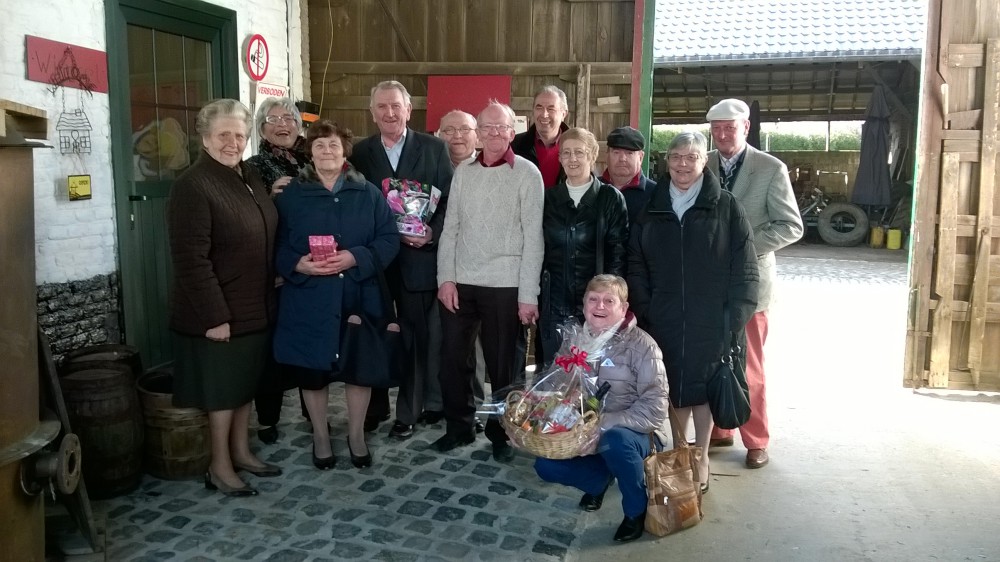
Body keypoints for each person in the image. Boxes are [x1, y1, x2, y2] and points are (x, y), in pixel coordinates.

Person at [627, 131, 759, 493]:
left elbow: (745, 269)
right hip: (663, 314)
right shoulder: (651, 207)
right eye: (676, 157)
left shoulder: (727, 207)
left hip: (710, 316)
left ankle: (700, 454)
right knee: (670, 384)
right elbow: (635, 264)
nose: (683, 164)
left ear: (704, 162)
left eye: (692, 157)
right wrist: (645, 309)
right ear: (666, 162)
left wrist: (732, 318)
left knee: (703, 386)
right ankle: (677, 451)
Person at [167, 98, 281, 497]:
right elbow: (190, 259)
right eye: (223, 135)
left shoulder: (246, 174)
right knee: (221, 394)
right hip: (220, 311)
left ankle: (241, 451)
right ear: (204, 138)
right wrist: (215, 316)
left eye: (239, 134)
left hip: (255, 305)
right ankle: (219, 465)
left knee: (243, 386)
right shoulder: (193, 184)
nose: (233, 142)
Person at [272, 120, 400, 471]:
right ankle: (320, 436)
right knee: (313, 370)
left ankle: (356, 435)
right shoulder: (292, 196)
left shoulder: (368, 193)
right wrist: (298, 264)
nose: (326, 151)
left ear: (345, 151)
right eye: (319, 146)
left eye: (333, 145)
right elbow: (275, 243)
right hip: (308, 296)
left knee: (359, 367)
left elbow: (389, 239)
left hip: (358, 293)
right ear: (309, 152)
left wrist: (356, 256)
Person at [436, 100, 544, 462]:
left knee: (503, 366)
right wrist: (445, 279)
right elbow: (450, 229)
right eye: (488, 128)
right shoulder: (464, 172)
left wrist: (528, 294)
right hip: (461, 281)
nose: (495, 133)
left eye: (502, 127)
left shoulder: (528, 174)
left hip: (506, 283)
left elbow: (534, 238)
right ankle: (459, 427)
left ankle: (502, 433)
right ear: (478, 134)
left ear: (512, 133)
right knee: (453, 358)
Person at [349, 81, 454, 441]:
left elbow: (451, 202)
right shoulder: (360, 152)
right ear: (372, 112)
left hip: (417, 260)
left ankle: (409, 411)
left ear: (409, 110)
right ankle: (374, 407)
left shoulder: (434, 148)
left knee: (414, 339)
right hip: (375, 261)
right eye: (382, 107)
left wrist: (432, 234)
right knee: (372, 333)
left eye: (396, 106)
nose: (389, 113)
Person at [705, 99, 803, 469]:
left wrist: (744, 247)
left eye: (730, 127)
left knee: (750, 365)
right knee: (712, 358)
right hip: (710, 284)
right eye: (717, 128)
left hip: (750, 285)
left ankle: (756, 439)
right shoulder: (704, 163)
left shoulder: (770, 168)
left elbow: (791, 225)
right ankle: (721, 428)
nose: (723, 134)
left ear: (746, 128)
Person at [534, 274, 669, 543]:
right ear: (584, 304)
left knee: (615, 443)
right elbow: (557, 386)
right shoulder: (574, 339)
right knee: (544, 465)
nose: (600, 306)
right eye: (593, 299)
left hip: (632, 434)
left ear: (624, 307)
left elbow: (655, 407)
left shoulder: (642, 345)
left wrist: (603, 424)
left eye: (610, 300)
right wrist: (542, 409)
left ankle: (635, 509)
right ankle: (598, 480)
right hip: (582, 431)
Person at [245, 97, 310, 445]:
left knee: (307, 341)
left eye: (289, 117)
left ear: (299, 126)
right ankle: (268, 419)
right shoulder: (252, 167)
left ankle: (310, 412)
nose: (283, 124)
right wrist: (269, 196)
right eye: (273, 119)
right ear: (261, 128)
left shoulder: (313, 159)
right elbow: (247, 217)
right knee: (269, 348)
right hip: (273, 268)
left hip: (312, 265)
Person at [537, 127, 628, 367]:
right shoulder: (548, 199)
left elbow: (617, 253)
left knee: (594, 378)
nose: (573, 159)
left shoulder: (609, 198)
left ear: (592, 156)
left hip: (596, 307)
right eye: (566, 153)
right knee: (554, 374)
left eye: (580, 152)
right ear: (560, 158)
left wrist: (610, 302)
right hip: (554, 304)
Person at [438, 109, 487, 433]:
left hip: (483, 272)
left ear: (477, 135)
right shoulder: (433, 167)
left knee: (480, 348)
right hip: (440, 267)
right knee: (450, 346)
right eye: (448, 130)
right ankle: (451, 409)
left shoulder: (489, 168)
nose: (456, 136)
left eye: (464, 129)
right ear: (439, 135)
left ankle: (481, 407)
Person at [511, 85, 570, 188]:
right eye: (539, 107)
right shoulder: (515, 145)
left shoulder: (576, 146)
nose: (544, 114)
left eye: (551, 109)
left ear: (563, 114)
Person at [600, 126, 657, 225]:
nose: (622, 158)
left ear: (640, 157)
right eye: (616, 152)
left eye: (629, 153)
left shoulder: (656, 194)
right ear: (607, 155)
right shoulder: (593, 189)